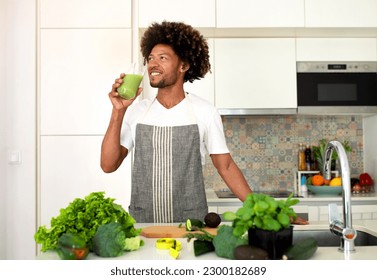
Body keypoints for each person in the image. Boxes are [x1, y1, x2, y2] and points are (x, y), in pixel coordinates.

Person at [100, 21, 252, 223]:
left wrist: (262, 209)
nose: (153, 64)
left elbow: (226, 167)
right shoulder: (137, 111)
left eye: (163, 58)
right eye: (151, 58)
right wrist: (118, 111)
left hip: (190, 227)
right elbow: (108, 165)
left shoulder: (205, 111)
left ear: (184, 65)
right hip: (144, 226)